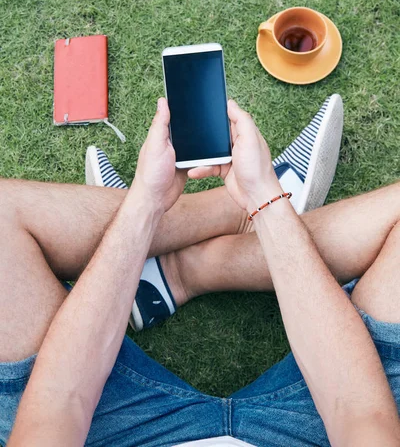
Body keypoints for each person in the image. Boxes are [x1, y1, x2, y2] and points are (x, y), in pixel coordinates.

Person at [1, 97, 400, 446]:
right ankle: (231, 223)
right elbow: (356, 410)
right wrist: (264, 197)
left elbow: (62, 404)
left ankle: (183, 260)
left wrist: (146, 203)